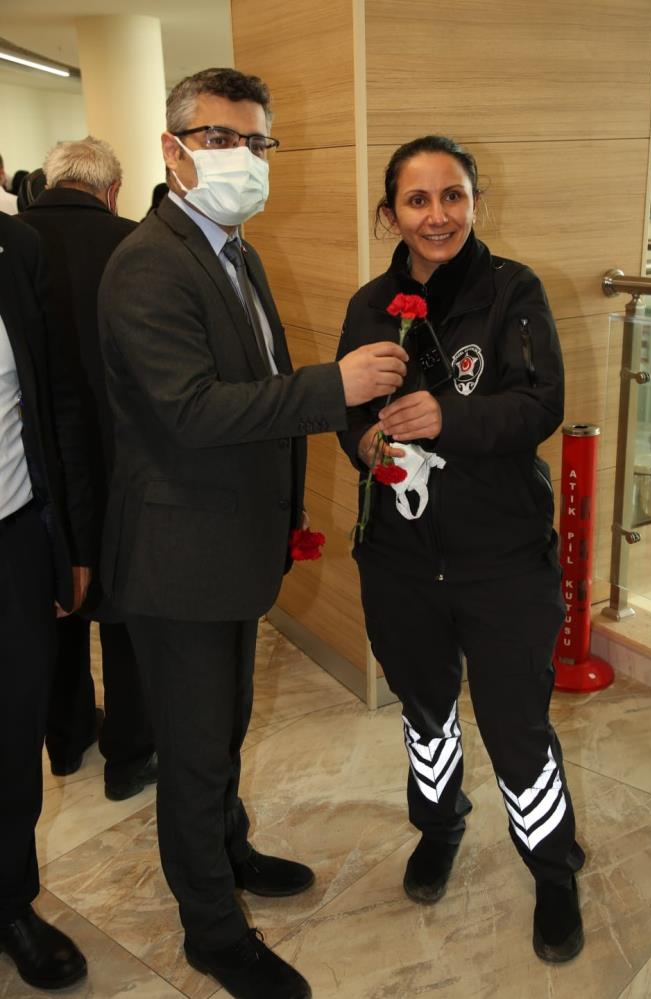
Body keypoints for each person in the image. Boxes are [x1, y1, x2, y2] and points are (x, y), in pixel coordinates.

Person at [98, 67, 407, 999]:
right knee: (194, 748)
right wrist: (334, 387)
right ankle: (212, 930)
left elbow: (255, 385)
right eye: (220, 138)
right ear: (173, 150)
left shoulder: (235, 250)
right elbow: (191, 411)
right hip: (178, 558)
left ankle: (229, 850)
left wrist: (287, 502)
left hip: (232, 542)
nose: (244, 157)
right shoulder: (149, 264)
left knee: (224, 724)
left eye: (255, 141)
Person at [336, 135, 585, 964]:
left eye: (453, 196)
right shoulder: (369, 305)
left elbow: (540, 402)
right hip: (400, 558)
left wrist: (451, 418)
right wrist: (366, 445)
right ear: (390, 214)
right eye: (417, 199)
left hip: (503, 557)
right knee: (426, 711)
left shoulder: (513, 289)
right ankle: (439, 825)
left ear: (476, 202)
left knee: (516, 725)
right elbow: (348, 415)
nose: (437, 215)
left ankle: (552, 867)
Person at [20, 136, 156, 800]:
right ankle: (129, 755)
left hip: (36, 467)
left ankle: (68, 737)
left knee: (54, 598)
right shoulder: (134, 245)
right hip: (123, 456)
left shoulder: (14, 244)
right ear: (112, 190)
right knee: (127, 605)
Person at [0, 212, 92, 989]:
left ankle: (9, 902)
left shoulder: (17, 246)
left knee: (13, 730)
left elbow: (57, 400)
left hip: (14, 536)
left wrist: (72, 545)